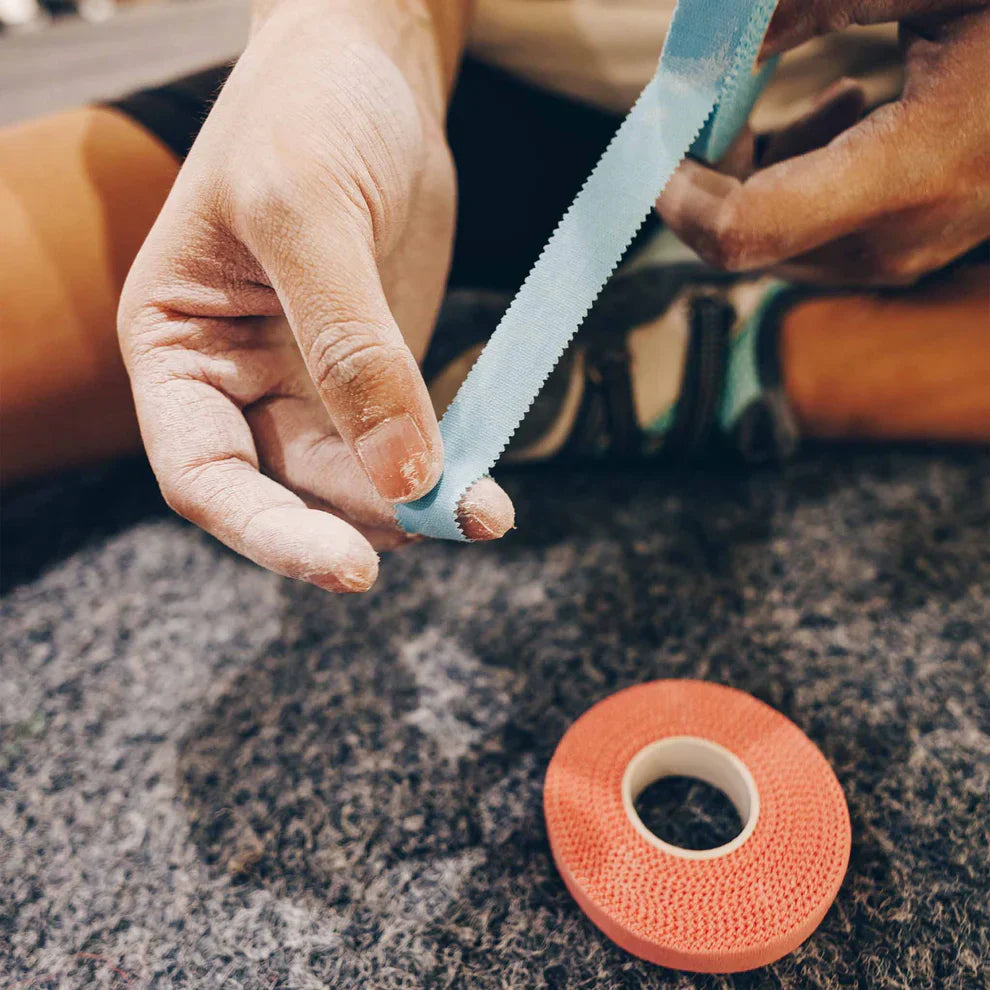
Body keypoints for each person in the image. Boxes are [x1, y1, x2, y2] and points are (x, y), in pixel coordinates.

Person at [1, 0, 988, 594]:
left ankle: (790, 350)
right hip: (505, 70)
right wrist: (352, 35)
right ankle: (727, 340)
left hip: (900, 87)